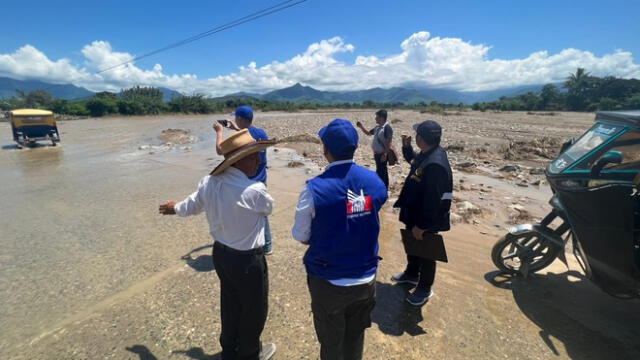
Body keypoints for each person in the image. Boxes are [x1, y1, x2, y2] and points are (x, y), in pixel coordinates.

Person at [160, 128, 277, 360]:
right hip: (248, 261)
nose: (259, 160)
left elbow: (190, 206)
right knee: (254, 311)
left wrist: (174, 208)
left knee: (230, 305)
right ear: (240, 160)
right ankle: (250, 354)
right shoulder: (255, 191)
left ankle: (229, 352)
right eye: (254, 156)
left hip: (221, 256)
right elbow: (269, 208)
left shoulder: (209, 182)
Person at [292, 119, 388, 360]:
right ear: (355, 147)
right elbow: (371, 207)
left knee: (331, 341)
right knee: (355, 336)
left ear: (326, 150)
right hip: (365, 277)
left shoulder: (314, 189)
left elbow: (301, 236)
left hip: (328, 279)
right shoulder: (375, 182)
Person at [390, 120, 453, 306]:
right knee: (412, 245)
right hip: (415, 212)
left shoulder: (435, 164)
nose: (415, 137)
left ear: (421, 138)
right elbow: (414, 161)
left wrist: (422, 226)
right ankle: (411, 274)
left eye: (416, 135)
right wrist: (406, 147)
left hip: (426, 218)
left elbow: (434, 200)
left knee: (426, 253)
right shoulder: (428, 154)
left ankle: (425, 288)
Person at [216, 105, 274, 255]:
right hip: (261, 180)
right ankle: (267, 245)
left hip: (246, 182)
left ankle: (244, 242)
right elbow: (249, 137)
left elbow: (220, 150)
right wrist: (236, 129)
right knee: (261, 214)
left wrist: (219, 132)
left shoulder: (242, 137)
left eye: (236, 118)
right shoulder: (261, 133)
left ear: (239, 118)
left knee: (243, 213)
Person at [356, 109, 393, 189]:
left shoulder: (387, 128)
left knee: (381, 172)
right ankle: (383, 187)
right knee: (381, 171)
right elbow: (368, 133)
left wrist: (385, 154)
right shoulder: (377, 127)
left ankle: (383, 187)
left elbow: (389, 142)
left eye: (377, 117)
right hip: (377, 154)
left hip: (382, 154)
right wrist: (361, 127)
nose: (375, 119)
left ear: (382, 118)